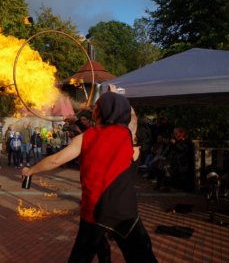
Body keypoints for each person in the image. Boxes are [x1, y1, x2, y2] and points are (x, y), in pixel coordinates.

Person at [21, 92, 157, 263]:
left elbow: (55, 160)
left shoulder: (85, 137)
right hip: (125, 211)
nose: (93, 110)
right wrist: (119, 95)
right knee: (143, 257)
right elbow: (132, 118)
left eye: (96, 107)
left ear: (101, 112)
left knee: (81, 258)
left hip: (95, 212)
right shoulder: (128, 135)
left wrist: (30, 171)